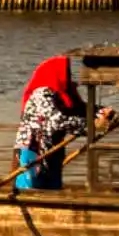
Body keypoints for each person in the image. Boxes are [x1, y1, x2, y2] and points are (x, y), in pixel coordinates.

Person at [12, 55, 88, 192]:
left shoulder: (61, 96)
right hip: (33, 151)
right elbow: (57, 120)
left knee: (52, 189)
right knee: (30, 190)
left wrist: (100, 113)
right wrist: (87, 124)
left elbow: (79, 110)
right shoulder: (41, 93)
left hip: (51, 153)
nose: (69, 78)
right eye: (67, 74)